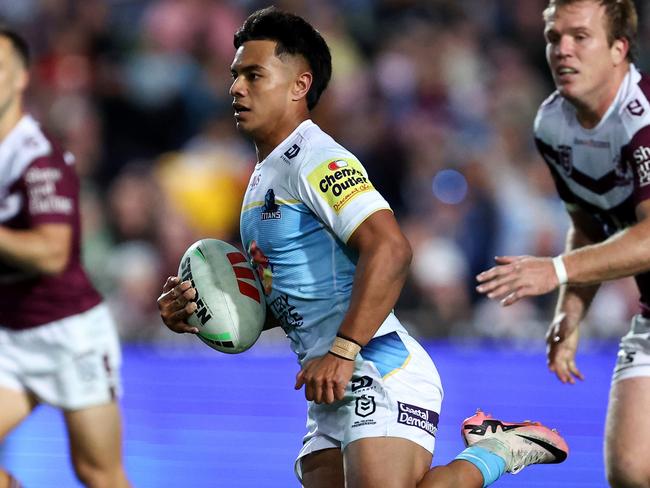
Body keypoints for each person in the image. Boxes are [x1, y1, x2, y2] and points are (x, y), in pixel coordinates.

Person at [158, 7, 568, 487]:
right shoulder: (262, 179)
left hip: (376, 364)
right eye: (235, 76)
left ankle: (498, 449)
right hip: (328, 384)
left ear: (299, 84)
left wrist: (345, 348)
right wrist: (203, 309)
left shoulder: (317, 158)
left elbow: (392, 249)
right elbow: (292, 301)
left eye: (254, 74)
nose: (236, 88)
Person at [475, 0, 650, 486]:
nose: (562, 50)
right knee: (631, 471)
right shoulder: (554, 125)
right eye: (554, 38)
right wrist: (569, 314)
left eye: (580, 37)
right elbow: (589, 227)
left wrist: (554, 270)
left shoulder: (644, 117)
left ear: (619, 49)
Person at [0, 27, 130, 488]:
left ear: (20, 80)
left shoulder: (38, 158)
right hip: (10, 336)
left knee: (99, 474)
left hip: (68, 335)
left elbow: (52, 253)